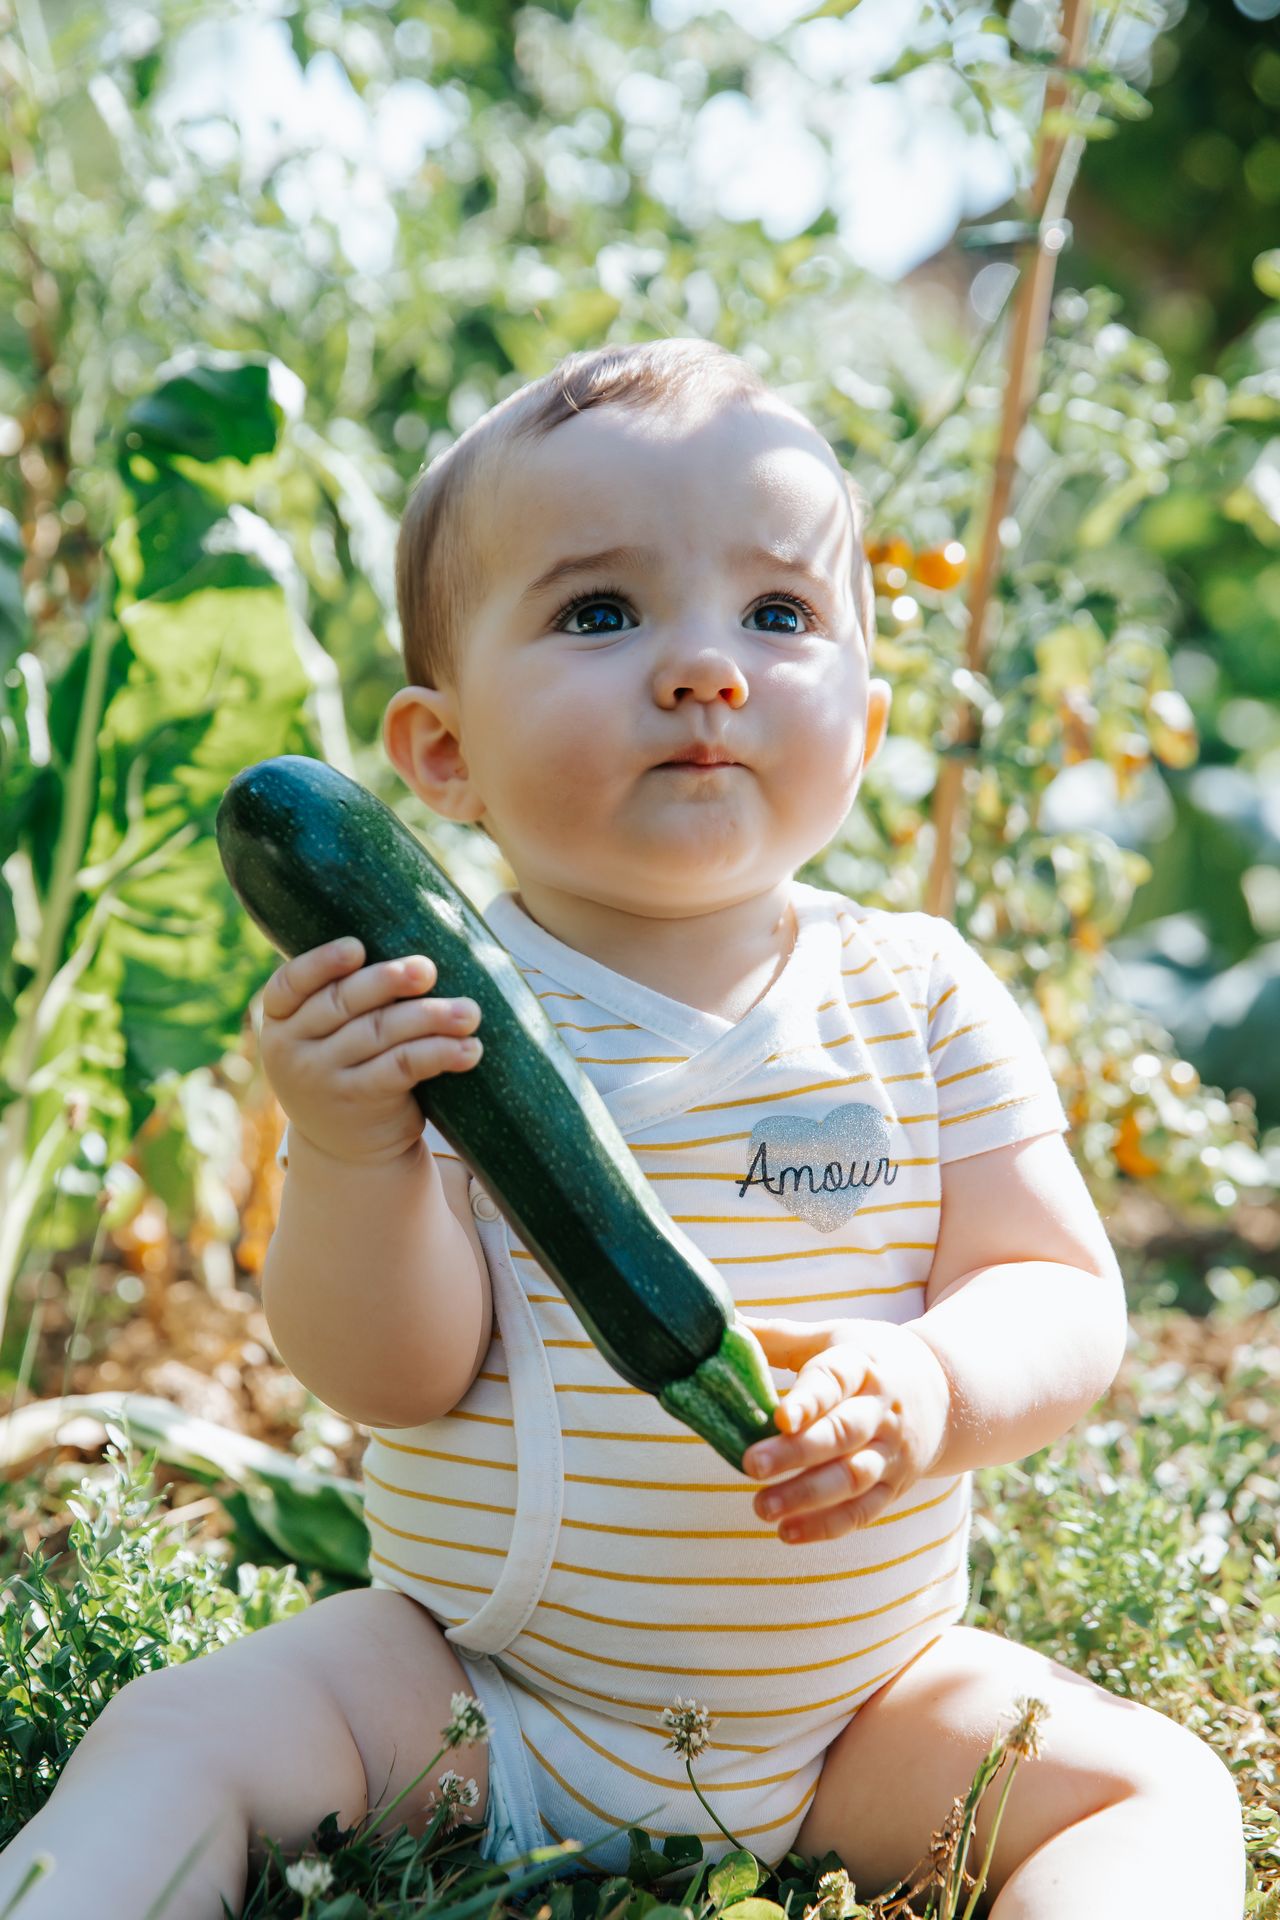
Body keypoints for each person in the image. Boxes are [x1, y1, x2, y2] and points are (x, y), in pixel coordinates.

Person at [0, 339, 1245, 1920]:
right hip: (476, 1689)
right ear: (443, 753)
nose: (705, 667)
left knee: (1152, 1790)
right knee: (177, 1732)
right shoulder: (426, 1008)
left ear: (867, 727)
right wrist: (355, 1146)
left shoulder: (922, 994)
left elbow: (1058, 1291)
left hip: (861, 1709)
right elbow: (393, 1377)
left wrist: (931, 1385)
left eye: (778, 613)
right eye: (600, 612)